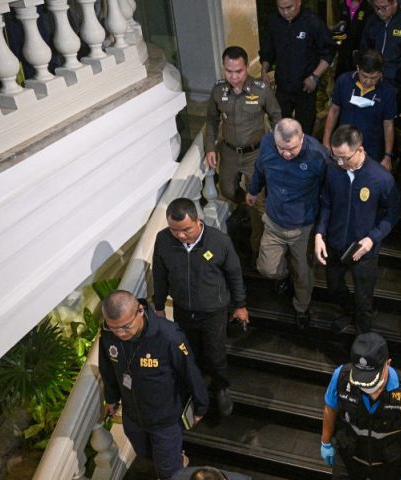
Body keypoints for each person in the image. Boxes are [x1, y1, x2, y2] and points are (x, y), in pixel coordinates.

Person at [152, 198, 248, 417]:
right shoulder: (163, 240)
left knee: (215, 353)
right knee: (188, 352)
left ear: (197, 221)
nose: (180, 236)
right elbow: (159, 274)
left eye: (186, 230)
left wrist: (240, 305)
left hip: (214, 310)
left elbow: (234, 274)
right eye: (174, 230)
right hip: (183, 309)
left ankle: (221, 386)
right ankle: (194, 390)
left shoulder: (219, 241)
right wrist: (158, 305)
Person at [99, 290, 209, 480]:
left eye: (125, 326)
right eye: (114, 328)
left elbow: (190, 372)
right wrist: (111, 398)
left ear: (140, 311)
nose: (120, 334)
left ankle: (174, 465)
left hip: (165, 420)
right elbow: (108, 368)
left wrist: (200, 405)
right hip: (133, 416)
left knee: (168, 472)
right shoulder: (109, 335)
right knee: (144, 454)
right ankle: (175, 459)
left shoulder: (169, 337)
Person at [315, 125, 401, 335]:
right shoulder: (333, 169)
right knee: (333, 287)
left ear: (360, 150)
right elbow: (327, 203)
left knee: (364, 298)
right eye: (336, 157)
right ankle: (349, 311)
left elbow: (392, 215)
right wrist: (319, 233)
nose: (341, 163)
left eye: (345, 157)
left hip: (364, 249)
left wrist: (373, 239)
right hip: (335, 244)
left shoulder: (382, 178)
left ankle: (363, 340)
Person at [246, 118, 327, 329]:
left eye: (291, 149)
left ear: (302, 138)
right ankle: (283, 274)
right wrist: (253, 190)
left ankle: (301, 308)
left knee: (303, 274)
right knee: (267, 269)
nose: (286, 154)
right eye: (281, 148)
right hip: (274, 220)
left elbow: (328, 194)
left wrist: (321, 229)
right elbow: (259, 169)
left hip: (303, 227)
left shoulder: (318, 156)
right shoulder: (266, 144)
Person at [320, 332, 401, 480]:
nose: (366, 386)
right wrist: (325, 442)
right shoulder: (341, 376)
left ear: (387, 364)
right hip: (349, 456)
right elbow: (330, 407)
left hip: (389, 464)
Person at [204, 46, 281, 255]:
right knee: (227, 190)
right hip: (229, 152)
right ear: (224, 68)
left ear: (246, 67)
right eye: (229, 71)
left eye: (238, 71)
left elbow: (276, 116)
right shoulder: (219, 90)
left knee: (258, 199)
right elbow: (211, 120)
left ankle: (259, 247)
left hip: (255, 154)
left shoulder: (261, 89)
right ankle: (250, 206)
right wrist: (210, 147)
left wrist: (277, 144)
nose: (234, 76)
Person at [260, 0, 336, 134]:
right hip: (282, 87)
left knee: (304, 131)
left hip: (306, 87)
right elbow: (267, 51)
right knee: (281, 129)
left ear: (298, 2)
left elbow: (328, 52)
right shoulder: (274, 22)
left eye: (289, 7)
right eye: (280, 8)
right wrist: (264, 70)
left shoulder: (313, 22)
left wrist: (315, 76)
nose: (285, 12)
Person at [322, 50, 397, 171]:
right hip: (343, 144)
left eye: (374, 77)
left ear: (380, 73)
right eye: (364, 76)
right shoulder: (344, 81)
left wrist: (387, 156)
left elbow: (388, 125)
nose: (368, 81)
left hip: (371, 149)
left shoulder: (388, 91)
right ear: (357, 68)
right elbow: (333, 111)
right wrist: (326, 140)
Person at [360, 0, 401, 112]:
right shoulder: (372, 21)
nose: (379, 11)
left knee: (390, 116)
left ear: (395, 3)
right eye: (376, 7)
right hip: (372, 80)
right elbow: (364, 50)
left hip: (397, 83)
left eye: (383, 8)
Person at [333, 0, 375, 79]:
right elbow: (338, 28)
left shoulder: (369, 8)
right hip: (343, 51)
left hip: (359, 53)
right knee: (340, 79)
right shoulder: (343, 5)